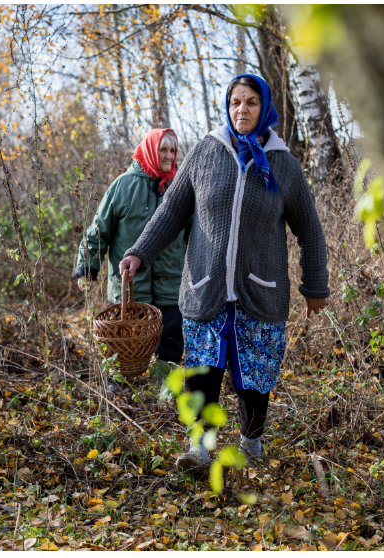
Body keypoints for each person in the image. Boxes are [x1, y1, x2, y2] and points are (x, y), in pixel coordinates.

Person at [119, 75, 330, 474]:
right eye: (235, 102)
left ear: (263, 107)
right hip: (205, 286)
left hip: (261, 290)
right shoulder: (205, 153)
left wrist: (314, 286)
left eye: (251, 102)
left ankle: (251, 444)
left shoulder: (283, 163)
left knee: (254, 375)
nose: (242, 110)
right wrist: (139, 253)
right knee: (203, 371)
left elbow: (310, 230)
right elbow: (170, 212)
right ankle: (200, 448)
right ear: (227, 106)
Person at [73, 128, 189, 388]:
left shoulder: (181, 187)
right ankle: (120, 393)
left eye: (173, 150)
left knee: (170, 344)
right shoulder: (123, 185)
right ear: (150, 149)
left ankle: (165, 395)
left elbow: (195, 234)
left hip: (171, 283)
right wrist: (87, 268)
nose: (169, 155)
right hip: (129, 286)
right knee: (125, 344)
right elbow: (98, 231)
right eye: (163, 149)